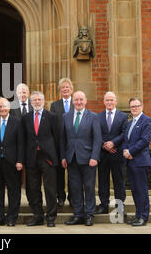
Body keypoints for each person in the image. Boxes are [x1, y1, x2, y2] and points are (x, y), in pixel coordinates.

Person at [60, 91, 101, 226]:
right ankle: (78, 214)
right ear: (73, 101)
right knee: (75, 188)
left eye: (81, 100)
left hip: (88, 159)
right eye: (76, 100)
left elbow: (97, 139)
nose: (78, 102)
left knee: (89, 187)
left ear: (85, 101)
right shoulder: (66, 116)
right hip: (71, 158)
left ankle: (89, 215)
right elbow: (63, 139)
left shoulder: (93, 117)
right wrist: (63, 157)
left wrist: (95, 156)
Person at [22, 91, 59, 227]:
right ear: (31, 102)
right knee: (33, 189)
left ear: (44, 101)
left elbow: (57, 138)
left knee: (50, 189)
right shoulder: (25, 118)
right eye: (34, 100)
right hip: (31, 157)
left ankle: (51, 217)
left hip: (48, 158)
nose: (37, 102)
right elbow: (23, 139)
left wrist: (58, 158)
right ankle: (37, 216)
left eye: (39, 99)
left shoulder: (52, 117)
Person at [0, 98, 23, 227]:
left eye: (4, 106)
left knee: (14, 191)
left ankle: (12, 218)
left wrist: (19, 160)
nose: (2, 109)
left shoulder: (17, 122)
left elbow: (20, 144)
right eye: (0, 107)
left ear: (9, 108)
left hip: (12, 162)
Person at [96, 92, 128, 214]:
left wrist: (113, 143)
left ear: (116, 101)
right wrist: (105, 144)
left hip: (117, 153)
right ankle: (104, 205)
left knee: (118, 180)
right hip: (103, 154)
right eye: (107, 100)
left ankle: (120, 206)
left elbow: (124, 133)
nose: (109, 102)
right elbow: (96, 133)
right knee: (103, 180)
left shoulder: (123, 116)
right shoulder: (98, 117)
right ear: (104, 102)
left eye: (111, 100)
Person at [123, 98, 151, 227]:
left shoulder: (146, 121)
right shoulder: (130, 123)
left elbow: (144, 140)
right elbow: (126, 140)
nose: (134, 108)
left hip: (140, 161)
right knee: (135, 191)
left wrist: (131, 152)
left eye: (136, 106)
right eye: (132, 106)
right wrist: (125, 150)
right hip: (130, 162)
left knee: (142, 190)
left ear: (142, 106)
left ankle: (143, 217)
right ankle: (137, 215)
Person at [50, 78, 74, 207]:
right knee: (59, 173)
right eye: (63, 87)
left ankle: (72, 197)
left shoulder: (76, 104)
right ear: (60, 90)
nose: (65, 89)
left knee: (73, 173)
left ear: (71, 89)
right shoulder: (55, 105)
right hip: (58, 145)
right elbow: (52, 125)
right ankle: (61, 196)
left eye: (67, 87)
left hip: (72, 145)